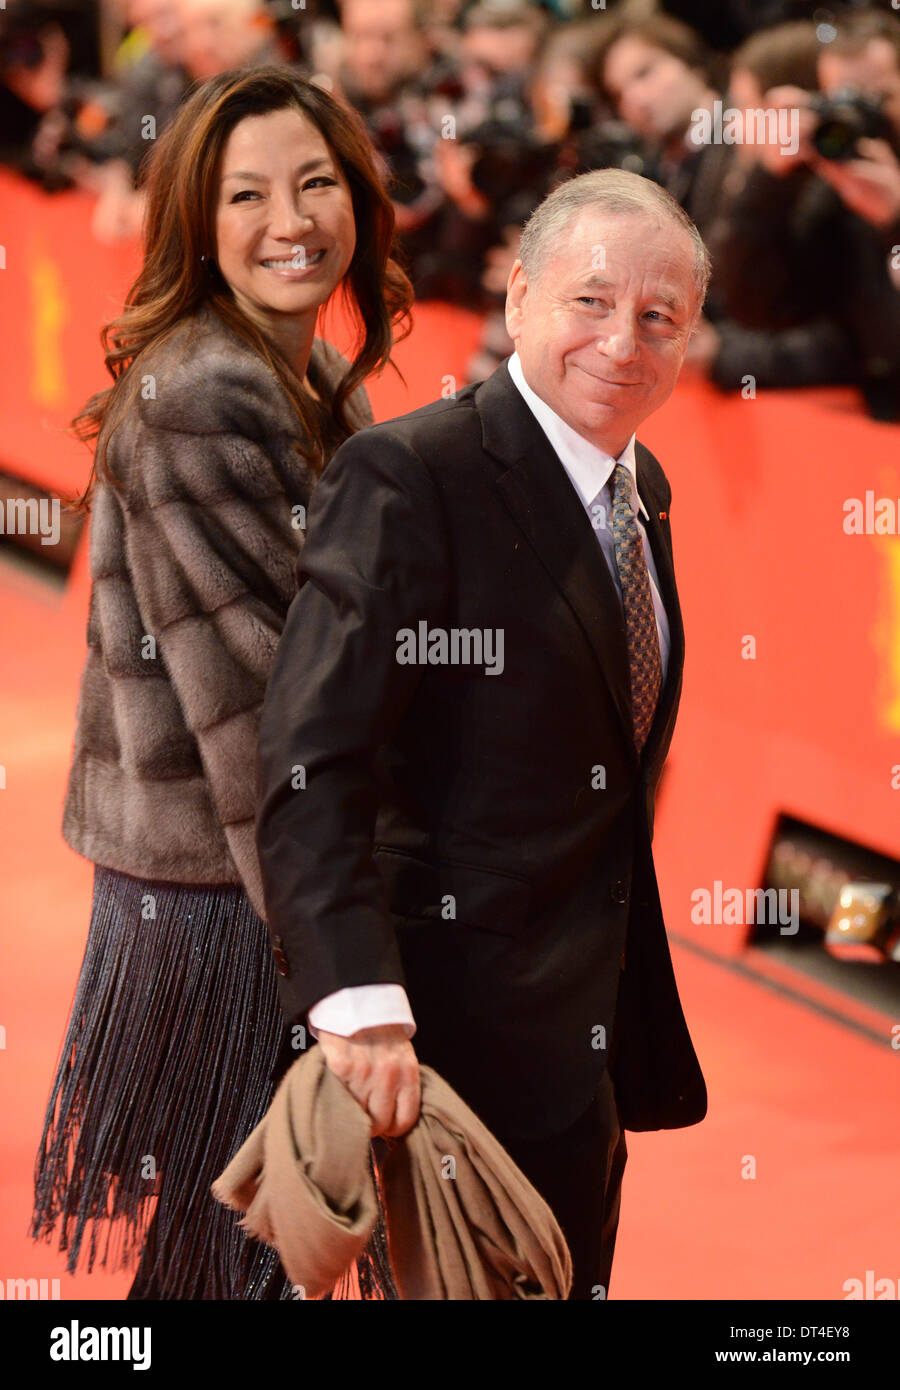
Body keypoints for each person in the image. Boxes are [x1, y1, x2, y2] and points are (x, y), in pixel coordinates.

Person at [255, 166, 709, 1301]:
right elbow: (316, 754)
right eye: (592, 303)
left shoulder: (640, 490)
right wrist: (357, 1001)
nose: (624, 342)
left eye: (661, 318)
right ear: (516, 299)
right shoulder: (413, 475)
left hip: (580, 1040)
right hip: (430, 1040)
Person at [30, 64, 413, 1301]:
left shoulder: (290, 373)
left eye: (313, 182)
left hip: (215, 887)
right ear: (198, 223)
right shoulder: (207, 391)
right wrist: (339, 972)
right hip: (224, 902)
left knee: (231, 1255)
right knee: (244, 1258)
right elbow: (259, 716)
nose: (288, 219)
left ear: (356, 196)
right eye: (246, 195)